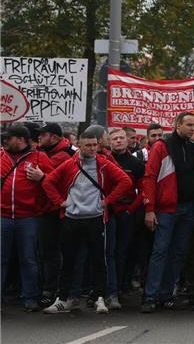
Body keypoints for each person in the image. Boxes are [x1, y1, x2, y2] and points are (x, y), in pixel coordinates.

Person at [41, 128, 132, 314]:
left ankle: (99, 298)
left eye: (94, 145)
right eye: (88, 145)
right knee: (69, 260)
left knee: (99, 260)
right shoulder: (69, 163)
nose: (92, 149)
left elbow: (125, 181)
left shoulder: (103, 163)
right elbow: (48, 182)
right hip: (72, 219)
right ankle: (64, 298)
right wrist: (60, 202)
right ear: (79, 145)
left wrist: (107, 201)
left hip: (95, 218)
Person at [140, 112, 194, 312]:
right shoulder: (161, 147)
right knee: (161, 250)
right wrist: (149, 209)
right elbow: (149, 177)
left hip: (188, 208)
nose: (193, 129)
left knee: (179, 253)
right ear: (177, 125)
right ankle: (151, 296)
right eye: (189, 124)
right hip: (166, 209)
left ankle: (165, 295)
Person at [1, 123, 53, 311]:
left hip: (28, 217)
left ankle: (30, 297)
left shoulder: (40, 157)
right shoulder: (1, 156)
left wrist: (42, 178)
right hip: (3, 216)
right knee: (1, 258)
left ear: (21, 140)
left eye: (9, 138)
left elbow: (53, 183)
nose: (5, 141)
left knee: (28, 258)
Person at [36, 122, 74, 305]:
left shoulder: (62, 155)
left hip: (56, 210)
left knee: (52, 252)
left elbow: (51, 178)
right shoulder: (46, 153)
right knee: (47, 252)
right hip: (45, 209)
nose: (39, 137)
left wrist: (42, 175)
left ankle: (51, 290)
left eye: (43, 134)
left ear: (55, 137)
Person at [107, 127, 145, 307]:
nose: (119, 141)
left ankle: (121, 285)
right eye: (114, 139)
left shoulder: (136, 163)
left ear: (128, 140)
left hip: (127, 211)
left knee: (123, 251)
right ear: (109, 142)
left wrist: (131, 210)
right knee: (108, 251)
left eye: (121, 138)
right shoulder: (104, 161)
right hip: (108, 210)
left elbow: (143, 189)